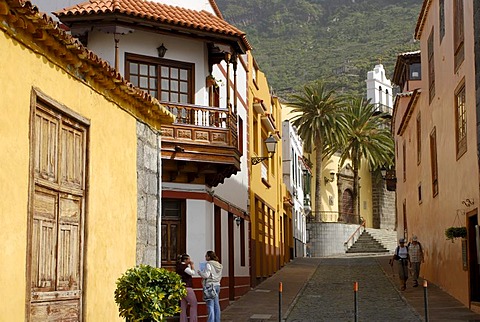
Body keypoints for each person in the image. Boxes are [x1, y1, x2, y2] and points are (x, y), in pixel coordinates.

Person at [198, 250, 223, 322]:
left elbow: (206, 275)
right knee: (216, 305)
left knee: (210, 305)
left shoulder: (208, 264)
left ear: (209, 257)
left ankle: (211, 320)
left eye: (206, 256)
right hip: (217, 284)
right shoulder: (219, 265)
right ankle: (217, 320)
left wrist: (200, 273)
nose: (205, 257)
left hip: (210, 286)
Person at [176, 254, 198, 322]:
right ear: (185, 260)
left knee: (183, 306)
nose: (189, 260)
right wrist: (192, 266)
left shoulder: (178, 267)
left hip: (181, 287)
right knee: (194, 304)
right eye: (188, 259)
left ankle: (183, 320)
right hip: (187, 287)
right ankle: (193, 320)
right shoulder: (185, 267)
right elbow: (192, 273)